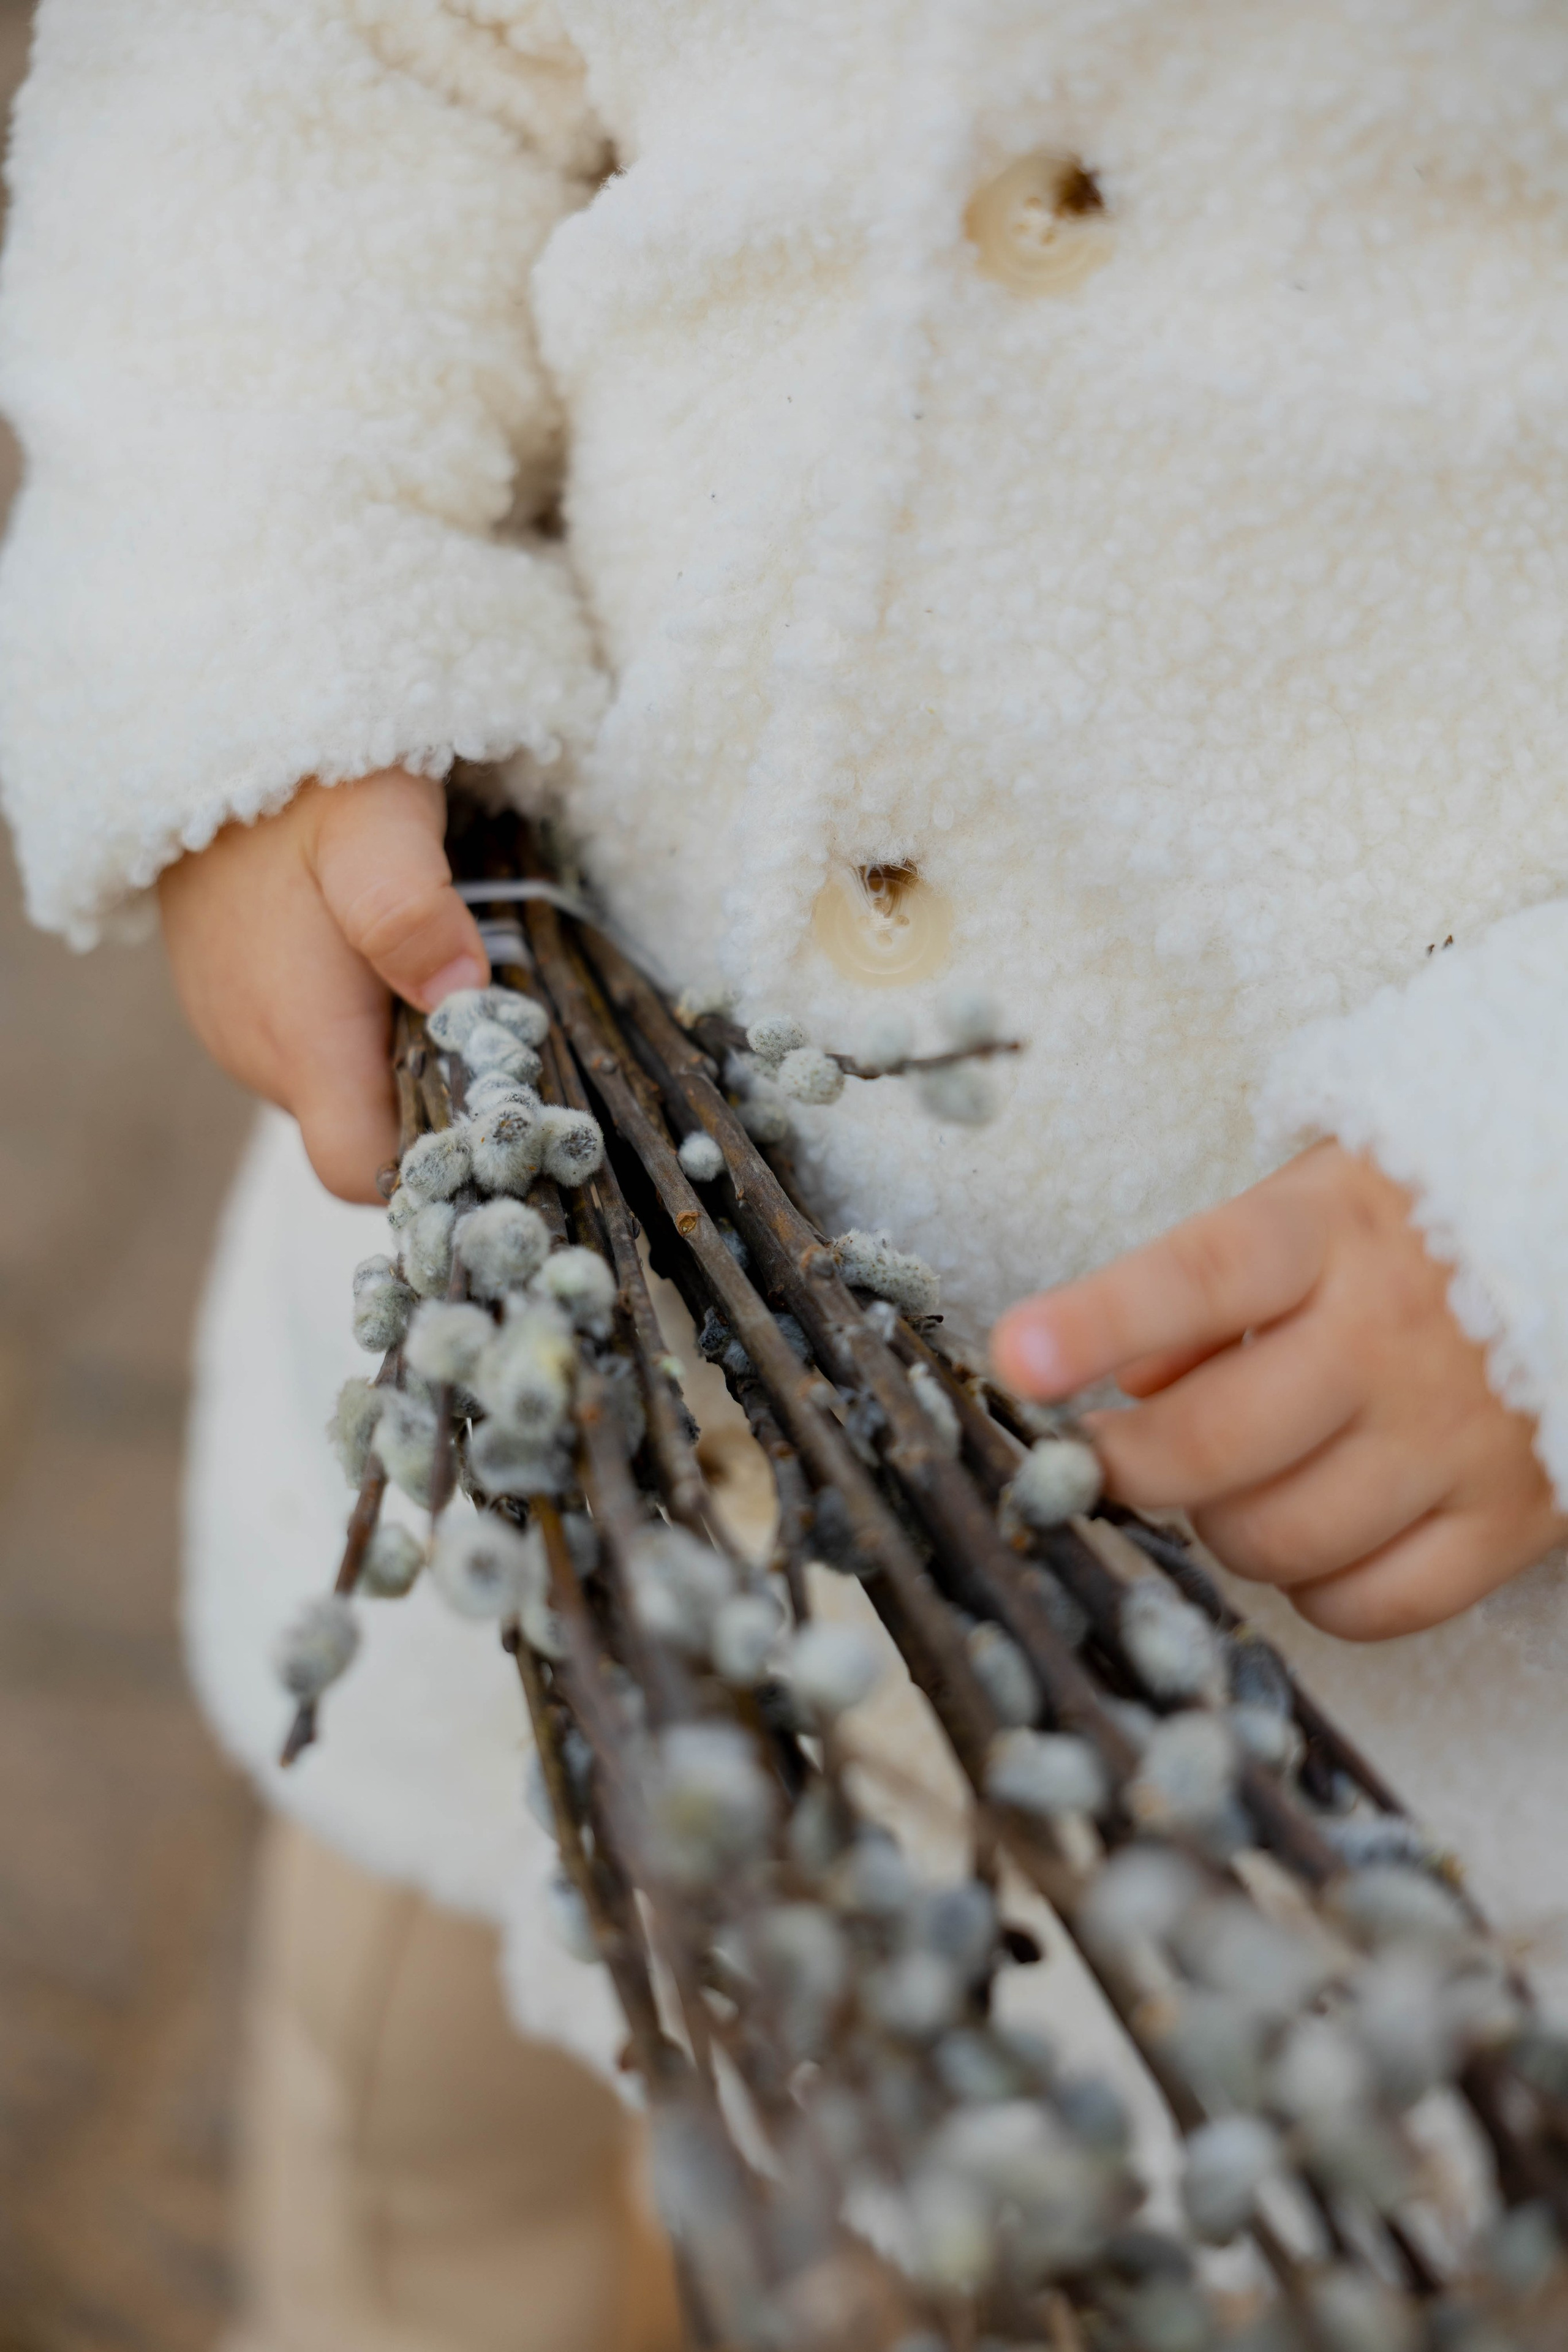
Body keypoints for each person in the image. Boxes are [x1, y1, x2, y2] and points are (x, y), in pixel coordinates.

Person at [4, 3, 1568, 2345]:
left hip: (1346, 1721)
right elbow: (315, 49)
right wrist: (268, 631)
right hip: (548, 1457)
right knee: (418, 2166)